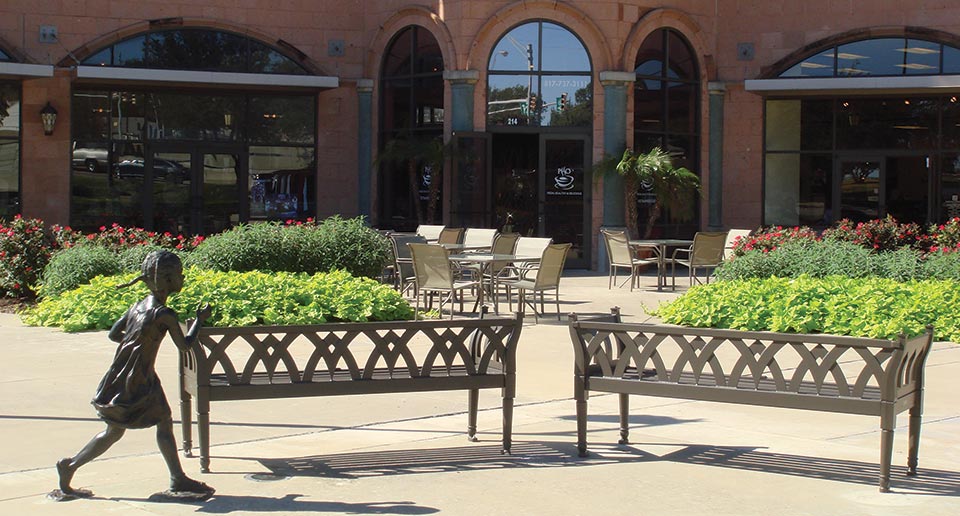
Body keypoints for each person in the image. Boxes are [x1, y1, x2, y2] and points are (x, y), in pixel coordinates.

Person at [51, 250, 215, 501]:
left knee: (120, 429)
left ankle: (71, 466)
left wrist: (138, 343)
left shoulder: (137, 307)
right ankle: (176, 478)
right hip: (139, 379)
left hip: (124, 375)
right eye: (180, 275)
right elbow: (185, 345)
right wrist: (200, 321)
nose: (183, 279)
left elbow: (115, 334)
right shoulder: (164, 314)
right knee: (153, 423)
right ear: (168, 279)